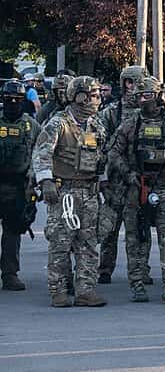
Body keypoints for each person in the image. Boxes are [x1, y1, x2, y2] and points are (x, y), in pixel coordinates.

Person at [106, 77, 165, 304]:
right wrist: (128, 174)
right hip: (138, 189)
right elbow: (113, 152)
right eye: (139, 95)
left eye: (146, 95)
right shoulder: (129, 124)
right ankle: (137, 284)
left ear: (157, 96)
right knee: (136, 239)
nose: (142, 100)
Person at [33, 76, 109, 307]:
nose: (97, 100)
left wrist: (104, 184)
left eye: (99, 95)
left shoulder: (96, 126)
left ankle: (85, 290)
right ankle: (58, 290)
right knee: (60, 242)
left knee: (88, 242)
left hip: (89, 191)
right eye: (94, 95)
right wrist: (46, 182)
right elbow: (42, 153)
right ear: (80, 97)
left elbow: (101, 159)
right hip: (64, 191)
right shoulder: (59, 123)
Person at [96, 65, 146, 285]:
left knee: (139, 229)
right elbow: (99, 148)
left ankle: (140, 270)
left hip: (138, 180)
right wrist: (103, 179)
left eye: (139, 83)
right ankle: (105, 268)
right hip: (115, 180)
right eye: (131, 82)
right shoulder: (111, 113)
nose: (135, 88)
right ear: (125, 83)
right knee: (109, 228)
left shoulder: (150, 114)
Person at [0, 79, 37, 291]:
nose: (13, 103)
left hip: (17, 188)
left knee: (13, 232)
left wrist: (35, 182)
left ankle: (9, 274)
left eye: (17, 100)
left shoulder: (31, 126)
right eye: (9, 99)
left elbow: (40, 153)